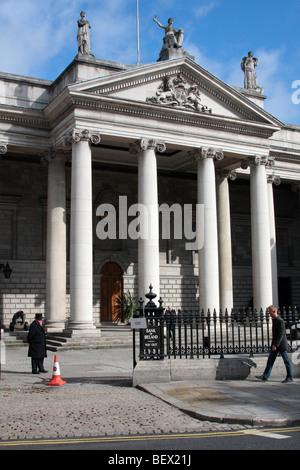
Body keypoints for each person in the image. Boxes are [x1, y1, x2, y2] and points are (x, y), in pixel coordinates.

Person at [256, 305, 293, 383]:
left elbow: (281, 334)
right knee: (270, 360)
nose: (269, 314)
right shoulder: (275, 320)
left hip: (281, 345)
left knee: (286, 361)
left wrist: (275, 344)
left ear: (274, 311)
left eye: (270, 312)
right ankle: (265, 376)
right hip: (275, 345)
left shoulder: (280, 321)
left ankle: (290, 377)